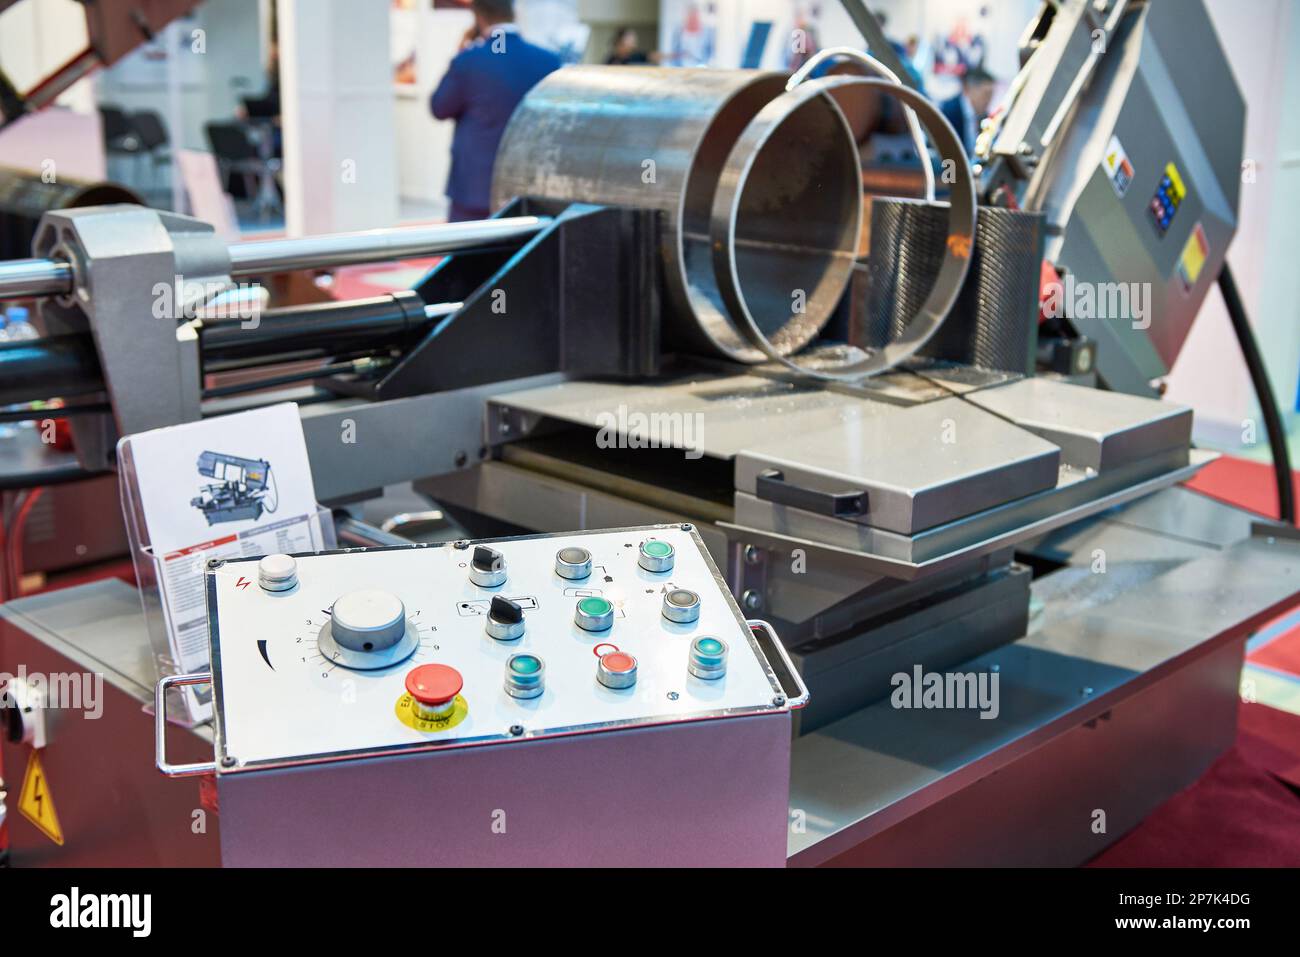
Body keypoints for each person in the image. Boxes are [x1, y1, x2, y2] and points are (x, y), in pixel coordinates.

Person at [430, 0, 561, 222]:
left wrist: (463, 53)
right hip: (528, 189)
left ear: (478, 16)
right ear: (513, 13)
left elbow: (439, 108)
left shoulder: (469, 60)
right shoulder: (548, 61)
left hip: (475, 190)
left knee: (467, 245)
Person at [940, 66, 996, 157]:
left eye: (991, 95)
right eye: (986, 94)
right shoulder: (948, 111)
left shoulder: (984, 116)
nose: (989, 100)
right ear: (968, 89)